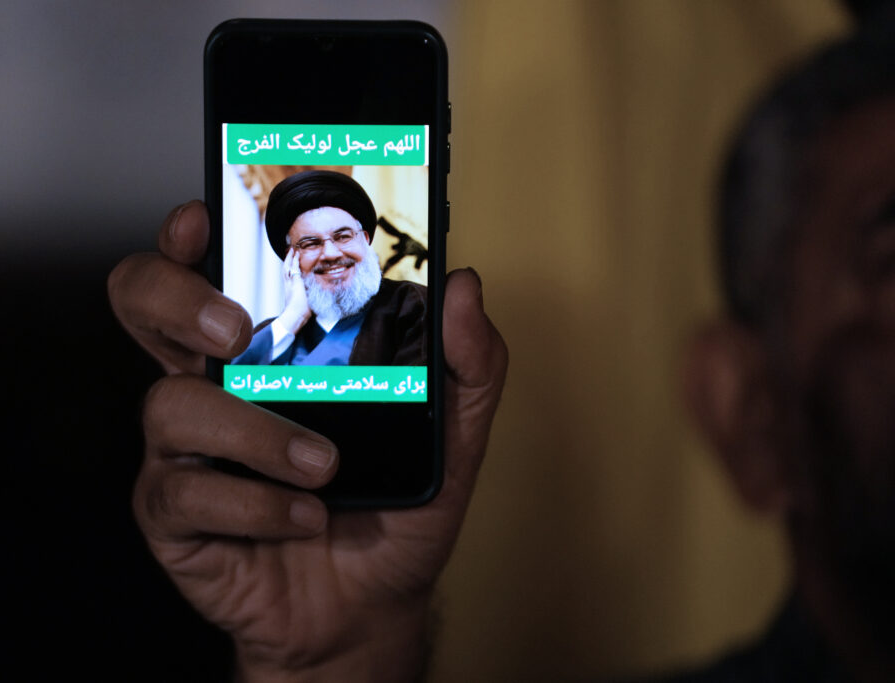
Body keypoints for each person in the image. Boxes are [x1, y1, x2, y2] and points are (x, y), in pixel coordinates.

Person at [107, 10, 895, 683]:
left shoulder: (410, 318)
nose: (329, 256)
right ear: (751, 413)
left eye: (344, 234)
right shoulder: (262, 354)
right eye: (308, 245)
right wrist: (336, 662)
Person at [232, 169, 428, 367]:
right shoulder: (276, 331)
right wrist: (294, 316)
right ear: (291, 258)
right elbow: (231, 388)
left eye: (343, 236)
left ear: (365, 240)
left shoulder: (411, 304)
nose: (332, 253)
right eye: (311, 243)